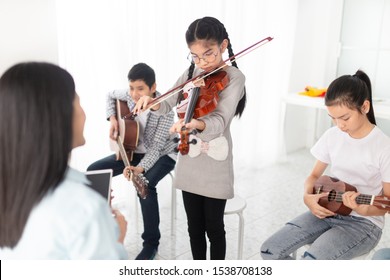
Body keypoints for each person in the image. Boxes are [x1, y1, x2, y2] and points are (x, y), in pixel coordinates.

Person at [134, 16, 247, 260]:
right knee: (194, 229)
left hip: (216, 164)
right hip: (189, 162)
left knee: (214, 229)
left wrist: (195, 123)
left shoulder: (235, 78)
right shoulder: (192, 71)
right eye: (195, 56)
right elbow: (167, 103)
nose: (202, 62)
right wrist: (151, 102)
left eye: (208, 54)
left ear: (223, 45)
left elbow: (220, 121)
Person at [0, 62, 128, 259]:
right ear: (57, 116)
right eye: (78, 102)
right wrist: (116, 240)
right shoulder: (84, 208)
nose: (84, 114)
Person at [260, 70, 390, 260]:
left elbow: (387, 202)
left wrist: (364, 209)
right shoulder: (332, 136)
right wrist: (307, 197)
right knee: (269, 250)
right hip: (327, 211)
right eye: (333, 118)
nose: (339, 125)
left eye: (345, 118)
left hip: (363, 224)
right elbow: (313, 177)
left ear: (365, 106)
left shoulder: (383, 146)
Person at [87, 62, 177, 260]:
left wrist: (140, 168)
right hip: (133, 149)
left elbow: (156, 148)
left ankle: (151, 243)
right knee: (94, 170)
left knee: (146, 184)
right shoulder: (128, 95)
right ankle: (101, 226)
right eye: (131, 88)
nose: (134, 94)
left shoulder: (166, 112)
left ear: (153, 88)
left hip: (163, 154)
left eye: (140, 89)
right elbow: (110, 94)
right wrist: (112, 119)